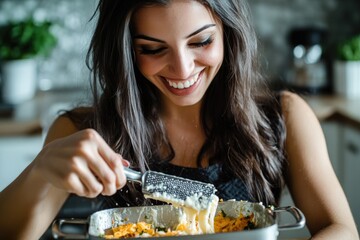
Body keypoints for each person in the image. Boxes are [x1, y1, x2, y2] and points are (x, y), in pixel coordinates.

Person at [0, 0, 358, 239]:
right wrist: (40, 171)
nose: (183, 69)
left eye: (201, 41)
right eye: (153, 49)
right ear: (127, 51)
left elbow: (341, 228)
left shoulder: (285, 117)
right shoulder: (83, 132)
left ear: (228, 32)